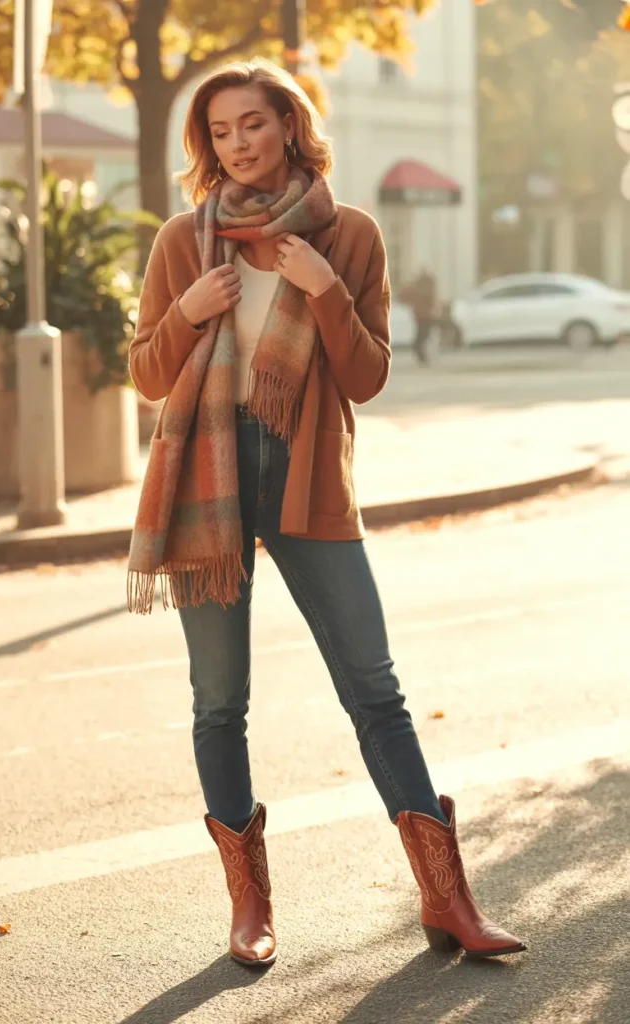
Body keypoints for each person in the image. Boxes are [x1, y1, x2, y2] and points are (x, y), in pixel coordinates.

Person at [127, 58, 526, 969]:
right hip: (204, 483)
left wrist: (322, 287)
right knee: (218, 702)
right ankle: (249, 906)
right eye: (220, 131)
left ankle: (448, 898)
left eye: (252, 123)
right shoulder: (182, 242)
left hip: (305, 477)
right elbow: (147, 371)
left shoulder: (347, 235)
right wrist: (187, 310)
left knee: (374, 690)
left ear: (288, 126)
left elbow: (366, 376)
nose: (238, 143)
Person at [400, 269, 439, 364]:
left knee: (424, 333)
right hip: (423, 314)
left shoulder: (419, 287)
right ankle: (419, 352)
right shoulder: (422, 288)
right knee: (423, 333)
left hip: (423, 314)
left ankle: (420, 352)